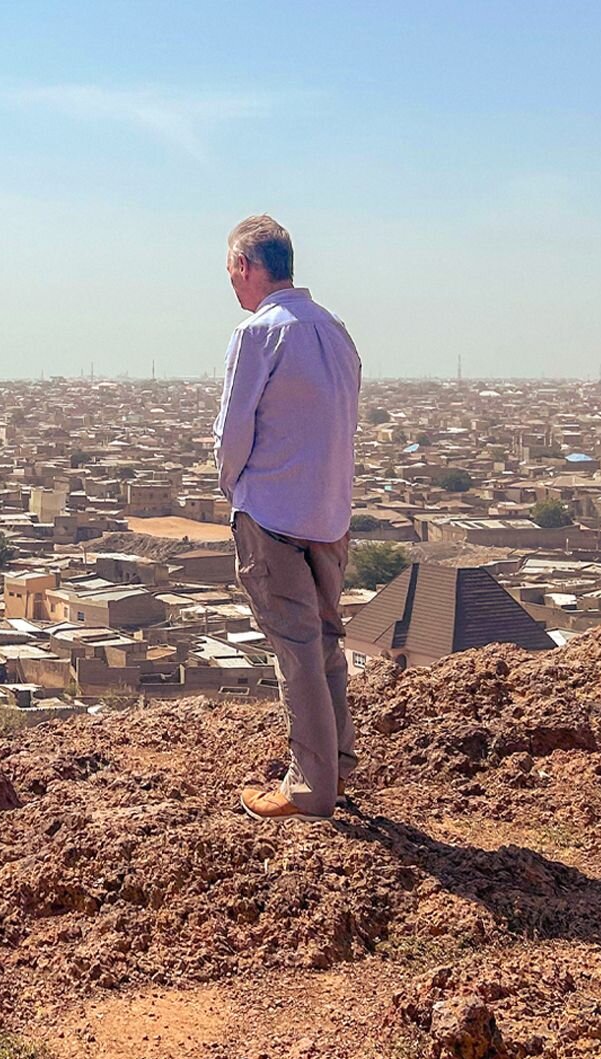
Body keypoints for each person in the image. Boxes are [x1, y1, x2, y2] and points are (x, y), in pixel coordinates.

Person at [211, 214, 364, 823]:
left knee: (296, 652)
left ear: (245, 266)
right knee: (324, 643)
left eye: (230, 270)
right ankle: (337, 763)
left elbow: (233, 432)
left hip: (273, 513)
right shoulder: (336, 329)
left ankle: (309, 789)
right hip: (328, 514)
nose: (231, 282)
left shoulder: (258, 333)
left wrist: (237, 490)